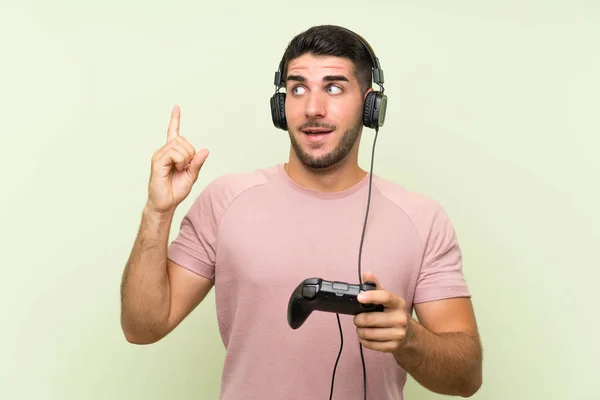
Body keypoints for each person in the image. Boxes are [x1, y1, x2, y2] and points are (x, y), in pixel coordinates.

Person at [120, 24, 483, 400]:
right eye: (297, 89)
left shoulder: (421, 218)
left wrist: (410, 339)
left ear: (371, 104)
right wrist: (158, 211)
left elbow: (466, 378)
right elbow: (142, 327)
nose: (313, 109)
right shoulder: (225, 199)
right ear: (281, 106)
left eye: (333, 87)